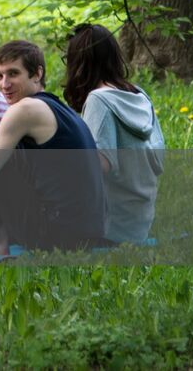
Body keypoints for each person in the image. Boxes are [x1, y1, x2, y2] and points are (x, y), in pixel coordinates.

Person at [0, 40, 107, 254]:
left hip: (59, 237)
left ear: (36, 74)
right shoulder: (58, 107)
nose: (4, 84)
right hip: (89, 232)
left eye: (13, 74)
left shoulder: (25, 110)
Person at [63, 24, 165, 244]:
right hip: (139, 223)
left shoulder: (99, 100)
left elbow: (98, 165)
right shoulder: (139, 95)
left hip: (111, 229)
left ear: (78, 63)